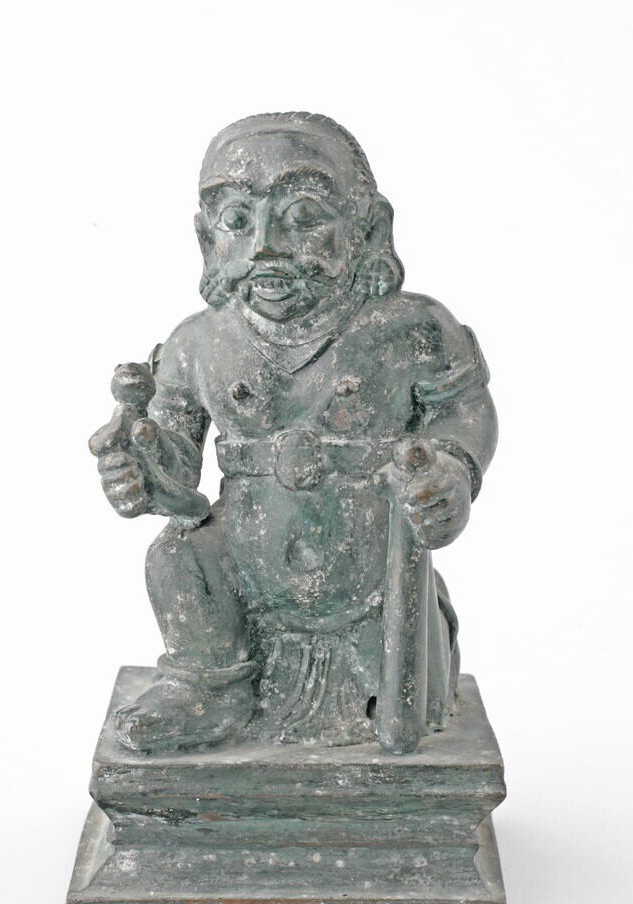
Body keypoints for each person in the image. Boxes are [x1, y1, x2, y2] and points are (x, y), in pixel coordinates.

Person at [89, 113, 497, 753]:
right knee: (176, 555)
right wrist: (144, 468)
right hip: (245, 567)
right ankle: (211, 684)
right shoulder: (196, 344)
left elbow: (464, 410)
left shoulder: (409, 328)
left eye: (303, 216)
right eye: (236, 219)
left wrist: (450, 470)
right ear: (206, 239)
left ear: (368, 229)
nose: (265, 247)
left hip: (371, 566)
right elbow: (176, 459)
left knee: (397, 670)